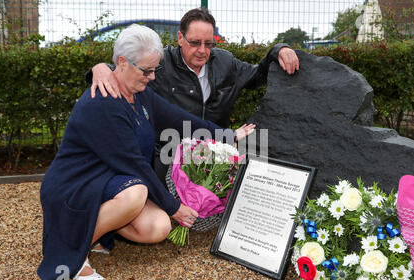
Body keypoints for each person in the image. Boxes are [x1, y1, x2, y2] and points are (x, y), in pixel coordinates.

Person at [37, 24, 255, 280]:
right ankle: (71, 250)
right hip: (77, 183)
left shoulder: (140, 94)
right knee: (137, 192)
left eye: (155, 70)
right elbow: (135, 165)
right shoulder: (103, 103)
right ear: (122, 62)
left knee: (158, 227)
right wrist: (175, 207)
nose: (152, 76)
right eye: (146, 70)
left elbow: (179, 119)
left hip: (108, 179)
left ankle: (96, 234)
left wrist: (227, 136)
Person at [86, 7, 299, 183]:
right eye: (195, 42)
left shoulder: (226, 63)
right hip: (170, 154)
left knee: (255, 160)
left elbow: (257, 75)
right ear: (180, 38)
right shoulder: (161, 64)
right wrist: (100, 68)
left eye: (209, 43)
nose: (202, 50)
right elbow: (125, 71)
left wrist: (278, 50)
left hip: (218, 147)